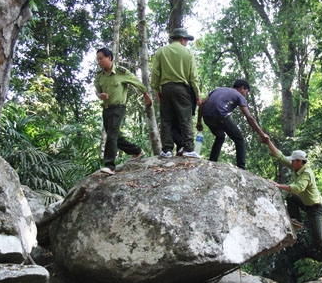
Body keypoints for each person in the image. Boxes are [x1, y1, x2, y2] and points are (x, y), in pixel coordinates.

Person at [263, 138, 322, 281]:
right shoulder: (296, 166)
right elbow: (280, 156)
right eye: (291, 161)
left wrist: (278, 185)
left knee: (319, 240)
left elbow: (299, 188)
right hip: (306, 204)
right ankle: (296, 220)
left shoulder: (306, 173)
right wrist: (268, 142)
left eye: (294, 161)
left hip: (316, 208)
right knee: (291, 197)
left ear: (300, 161)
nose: (291, 162)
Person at [95, 47, 152, 175]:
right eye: (98, 59)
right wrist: (100, 95)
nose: (99, 61)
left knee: (112, 135)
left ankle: (109, 166)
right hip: (106, 108)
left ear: (109, 58)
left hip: (118, 108)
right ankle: (137, 151)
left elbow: (136, 83)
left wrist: (146, 95)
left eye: (101, 58)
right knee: (115, 136)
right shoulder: (100, 75)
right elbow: (97, 91)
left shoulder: (121, 72)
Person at [151, 28, 202, 158]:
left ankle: (166, 150)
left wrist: (156, 90)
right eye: (186, 40)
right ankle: (189, 148)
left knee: (166, 119)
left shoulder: (161, 52)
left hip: (166, 89)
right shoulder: (187, 53)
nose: (186, 43)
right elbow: (193, 76)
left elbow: (155, 73)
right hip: (182, 89)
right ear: (181, 39)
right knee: (185, 119)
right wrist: (197, 93)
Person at [196, 79, 269, 169]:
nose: (245, 95)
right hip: (220, 115)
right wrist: (262, 134)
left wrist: (199, 121)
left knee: (220, 136)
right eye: (246, 92)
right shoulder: (239, 95)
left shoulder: (218, 89)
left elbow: (202, 104)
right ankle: (242, 168)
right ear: (242, 88)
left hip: (207, 116)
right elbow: (249, 118)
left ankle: (212, 161)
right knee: (239, 139)